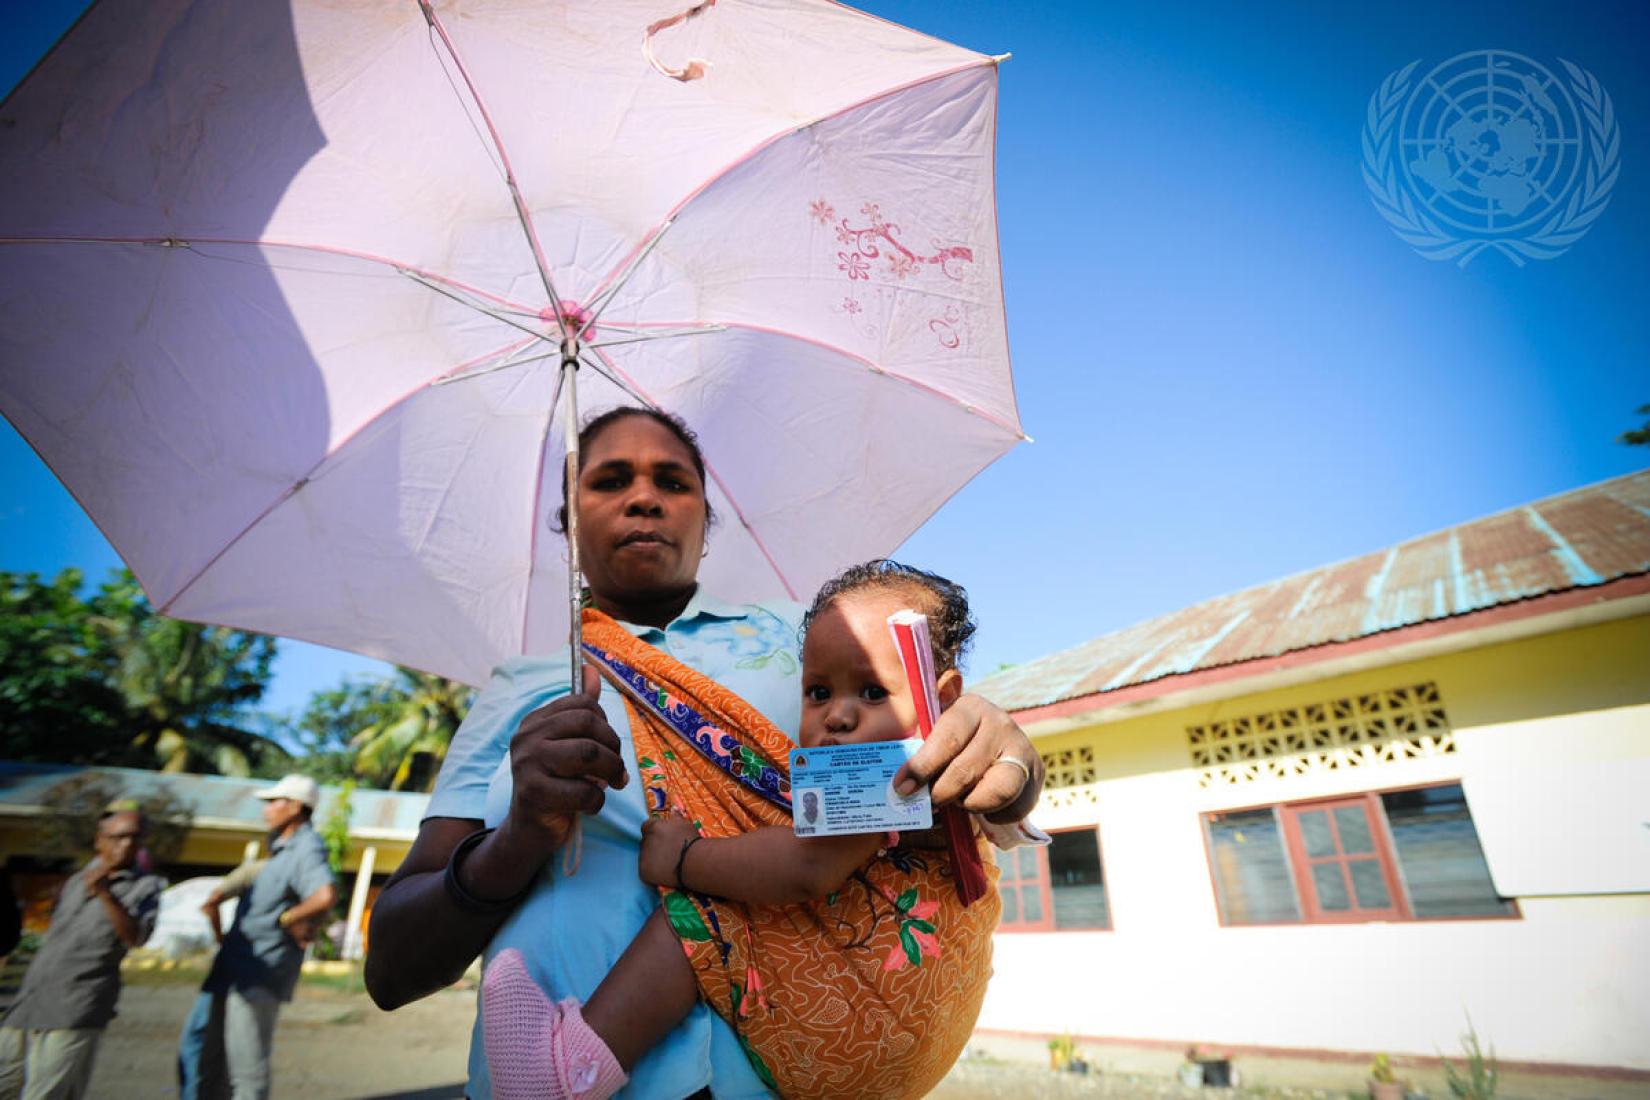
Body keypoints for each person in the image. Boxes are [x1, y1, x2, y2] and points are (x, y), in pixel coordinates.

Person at [364, 407, 1046, 1100]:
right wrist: (518, 836)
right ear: (569, 523)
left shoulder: (813, 635)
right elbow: (391, 972)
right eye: (608, 480)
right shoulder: (519, 687)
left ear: (706, 520)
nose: (643, 496)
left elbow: (941, 750)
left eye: (672, 480)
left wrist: (1015, 767)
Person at [484, 560, 1007, 1099]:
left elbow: (807, 868)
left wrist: (684, 860)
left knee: (705, 913)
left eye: (873, 692)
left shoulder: (893, 773)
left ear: (939, 699)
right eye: (819, 692)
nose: (838, 717)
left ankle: (568, 1072)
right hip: (904, 1047)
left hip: (865, 1028)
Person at [179, 776, 335, 1100]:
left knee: (246, 1069)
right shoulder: (276, 852)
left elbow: (324, 895)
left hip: (258, 972)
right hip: (230, 968)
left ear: (294, 807)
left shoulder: (306, 847)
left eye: (272, 802)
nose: (265, 809)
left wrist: (289, 918)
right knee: (203, 1052)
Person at [0, 802, 162, 1100]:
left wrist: (105, 895)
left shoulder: (146, 886)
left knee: (47, 1093)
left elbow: (136, 937)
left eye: (135, 838)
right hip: (28, 1002)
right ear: (99, 841)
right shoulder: (76, 882)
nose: (126, 845)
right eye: (118, 837)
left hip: (76, 1005)